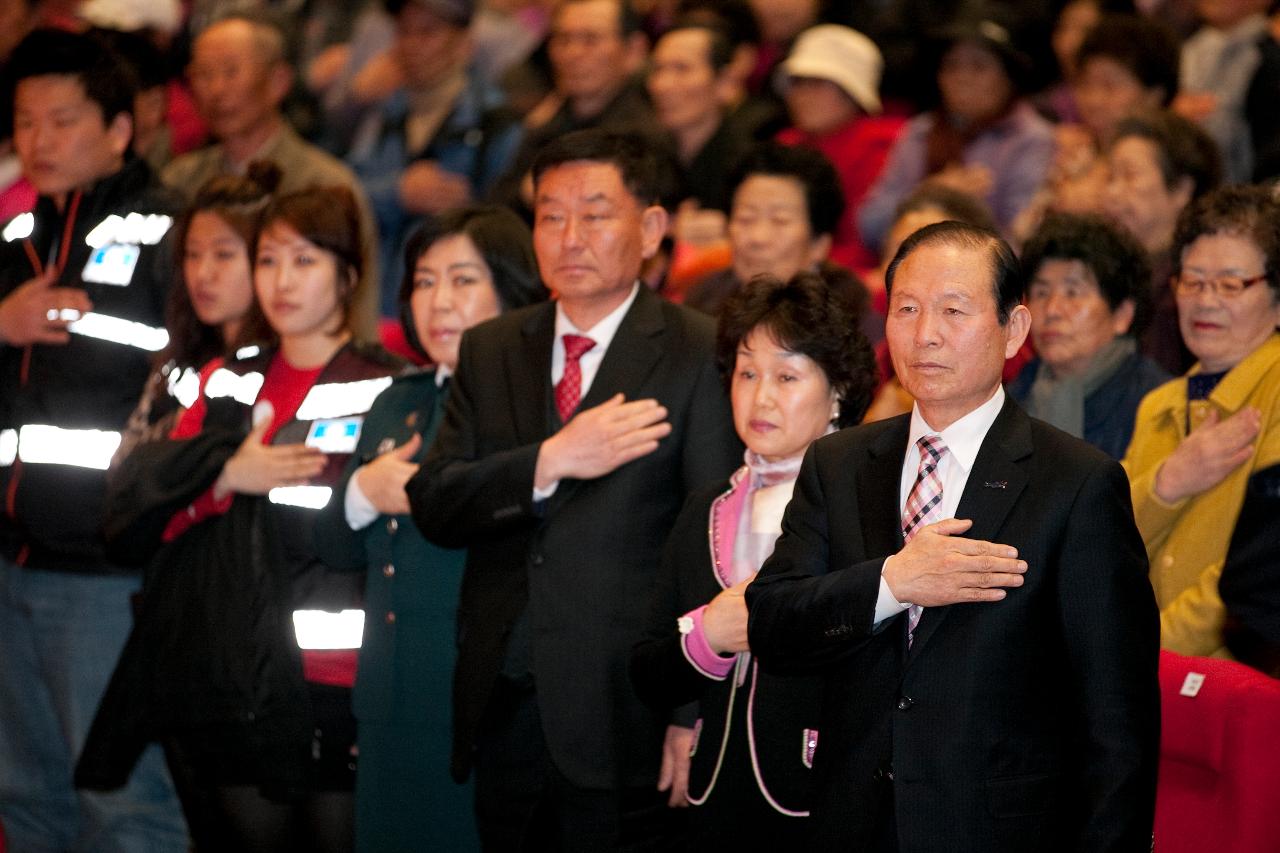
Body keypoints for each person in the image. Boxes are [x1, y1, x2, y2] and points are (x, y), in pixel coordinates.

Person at [746, 220, 1161, 851]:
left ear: (1014, 330)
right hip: (853, 822)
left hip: (997, 829)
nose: (925, 334)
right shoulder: (840, 462)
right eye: (906, 309)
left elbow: (1117, 722)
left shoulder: (1077, 484)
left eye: (953, 310)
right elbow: (774, 624)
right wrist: (892, 583)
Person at [407, 129, 742, 851]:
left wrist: (692, 708)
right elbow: (435, 499)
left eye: (595, 212)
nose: (570, 235)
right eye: (551, 215)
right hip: (505, 703)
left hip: (629, 712)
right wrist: (548, 461)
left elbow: (713, 545)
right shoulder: (492, 346)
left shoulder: (696, 350)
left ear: (652, 228)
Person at [76, 185, 403, 852]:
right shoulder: (225, 376)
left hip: (337, 678)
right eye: (269, 259)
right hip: (230, 675)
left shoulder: (388, 384)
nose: (281, 281)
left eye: (304, 261)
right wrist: (224, 478)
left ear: (347, 274)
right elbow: (142, 510)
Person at [0, 28, 188, 851]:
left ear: (120, 128)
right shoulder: (12, 239)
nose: (39, 140)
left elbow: (205, 373)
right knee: (25, 797)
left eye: (63, 119)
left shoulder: (176, 230)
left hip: (112, 570)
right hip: (10, 560)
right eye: (25, 121)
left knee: (124, 804)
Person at [314, 205, 548, 852]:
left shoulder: (532, 413)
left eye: (463, 279)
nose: (439, 301)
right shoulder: (399, 399)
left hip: (477, 704)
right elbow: (331, 546)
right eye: (423, 281)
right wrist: (363, 490)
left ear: (512, 288)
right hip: (389, 695)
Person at [629, 273, 876, 848]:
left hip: (825, 799)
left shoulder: (868, 507)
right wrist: (708, 636)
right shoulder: (706, 508)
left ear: (839, 390)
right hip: (712, 795)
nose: (760, 396)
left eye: (787, 376)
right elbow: (646, 668)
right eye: (746, 373)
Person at [1122, 184, 1280, 661]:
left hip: (1236, 679)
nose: (1205, 301)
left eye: (1231, 284)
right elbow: (1109, 546)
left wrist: (1146, 651)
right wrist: (1166, 485)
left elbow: (1261, 572)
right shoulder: (1158, 405)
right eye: (1192, 281)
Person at [164, 11, 382, 339]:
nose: (217, 90)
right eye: (204, 75)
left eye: (231, 72)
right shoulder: (179, 180)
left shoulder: (325, 183)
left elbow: (358, 311)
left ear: (278, 82)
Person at [342, 0, 523, 314]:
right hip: (377, 310)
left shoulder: (496, 124)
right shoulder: (382, 115)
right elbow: (342, 194)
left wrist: (470, 211)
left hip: (457, 313)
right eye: (404, 32)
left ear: (464, 44)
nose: (412, 45)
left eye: (428, 32)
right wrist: (397, 192)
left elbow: (511, 226)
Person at [112, 162, 280, 465]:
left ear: (265, 260)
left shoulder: (280, 364)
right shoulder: (176, 362)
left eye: (223, 254)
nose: (202, 274)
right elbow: (122, 467)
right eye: (192, 254)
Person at [858, 16, 1055, 252]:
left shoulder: (1031, 139)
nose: (962, 77)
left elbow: (1023, 239)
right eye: (951, 65)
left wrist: (957, 209)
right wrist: (929, 194)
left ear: (1009, 77)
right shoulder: (920, 132)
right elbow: (868, 225)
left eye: (978, 66)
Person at [1009, 212, 1170, 459]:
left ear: (1122, 315)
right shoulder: (1012, 398)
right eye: (1041, 293)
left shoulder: (1156, 403)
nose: (1052, 310)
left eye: (1072, 292)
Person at [489, 0, 656, 214]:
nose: (573, 53)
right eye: (563, 39)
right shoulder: (544, 121)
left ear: (633, 50)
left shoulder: (644, 134)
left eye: (590, 39)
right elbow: (497, 202)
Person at [682, 142, 868, 330]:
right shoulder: (702, 303)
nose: (758, 238)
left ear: (819, 243)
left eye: (780, 221)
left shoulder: (853, 316)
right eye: (746, 219)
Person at [776, 24, 905, 271]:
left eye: (819, 83)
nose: (804, 94)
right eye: (798, 82)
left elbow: (864, 246)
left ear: (852, 92)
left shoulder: (881, 146)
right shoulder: (784, 145)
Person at [1102, 110, 1221, 376]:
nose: (1111, 192)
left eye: (1129, 176)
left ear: (1181, 189)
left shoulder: (1195, 284)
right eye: (1110, 177)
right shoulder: (1111, 271)